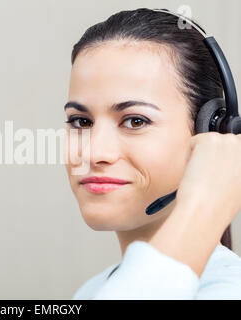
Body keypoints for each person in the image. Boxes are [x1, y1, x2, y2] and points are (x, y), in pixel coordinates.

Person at [64, 8, 241, 299]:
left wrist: (204, 206)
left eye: (135, 121)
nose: (94, 153)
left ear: (209, 131)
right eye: (81, 122)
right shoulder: (94, 290)